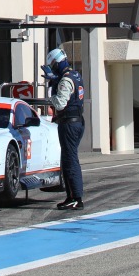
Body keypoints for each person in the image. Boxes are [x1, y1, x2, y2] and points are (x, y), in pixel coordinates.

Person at [43, 47, 85, 210]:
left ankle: (76, 197)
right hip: (77, 121)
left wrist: (52, 90)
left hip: (69, 123)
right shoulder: (75, 75)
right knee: (69, 158)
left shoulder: (65, 80)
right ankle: (72, 196)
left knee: (69, 160)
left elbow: (60, 103)